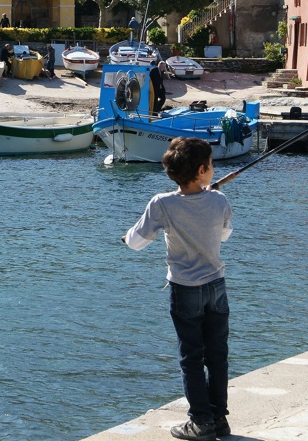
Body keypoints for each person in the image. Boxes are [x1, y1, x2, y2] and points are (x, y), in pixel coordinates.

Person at [122, 137, 232, 441]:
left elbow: (137, 242)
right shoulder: (219, 200)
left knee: (192, 357)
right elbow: (223, 236)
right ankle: (219, 418)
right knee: (217, 355)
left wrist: (125, 237)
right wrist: (210, 199)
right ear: (201, 170)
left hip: (185, 290)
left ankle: (200, 422)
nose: (212, 168)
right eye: (210, 164)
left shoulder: (162, 203)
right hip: (217, 287)